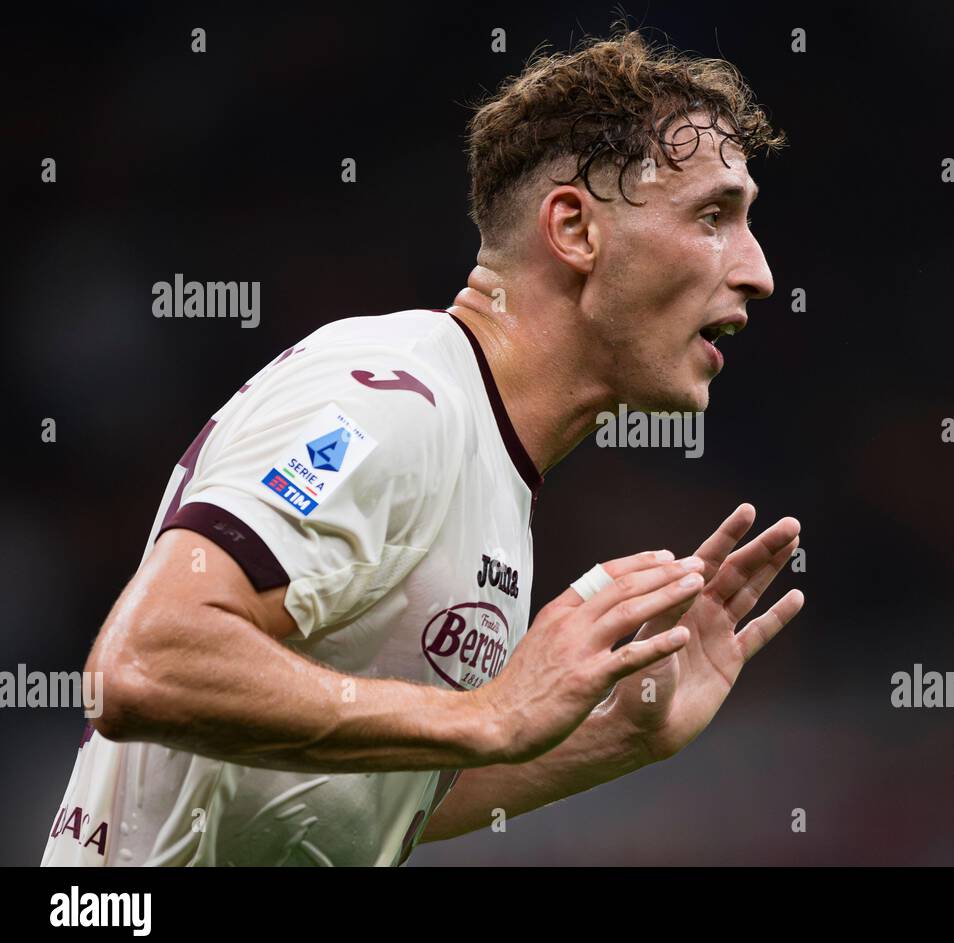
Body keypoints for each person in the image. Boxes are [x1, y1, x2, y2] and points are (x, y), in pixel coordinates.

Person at [42, 28, 803, 866]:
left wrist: (613, 736)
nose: (759, 271)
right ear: (576, 230)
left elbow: (341, 798)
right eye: (713, 216)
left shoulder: (489, 462)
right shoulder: (396, 398)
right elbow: (146, 665)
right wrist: (493, 714)